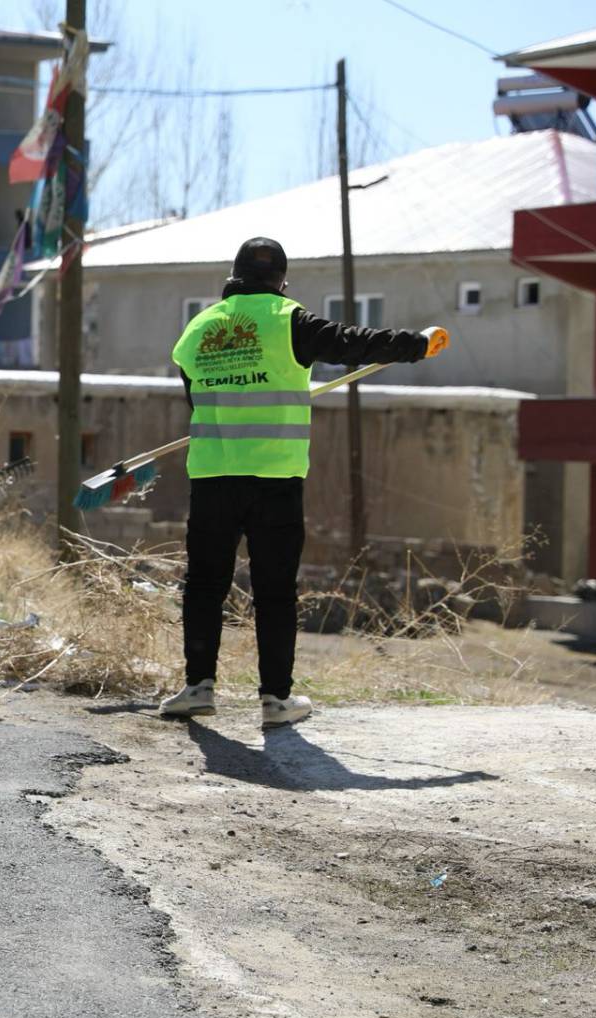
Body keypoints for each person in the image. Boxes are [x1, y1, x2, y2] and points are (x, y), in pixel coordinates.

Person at [158, 237, 432, 728]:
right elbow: (353, 342)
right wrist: (418, 344)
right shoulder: (290, 320)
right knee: (275, 589)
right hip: (275, 477)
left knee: (204, 584)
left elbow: (195, 399)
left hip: (214, 475)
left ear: (234, 277)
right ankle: (275, 700)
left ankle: (198, 687)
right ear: (281, 282)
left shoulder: (198, 329)